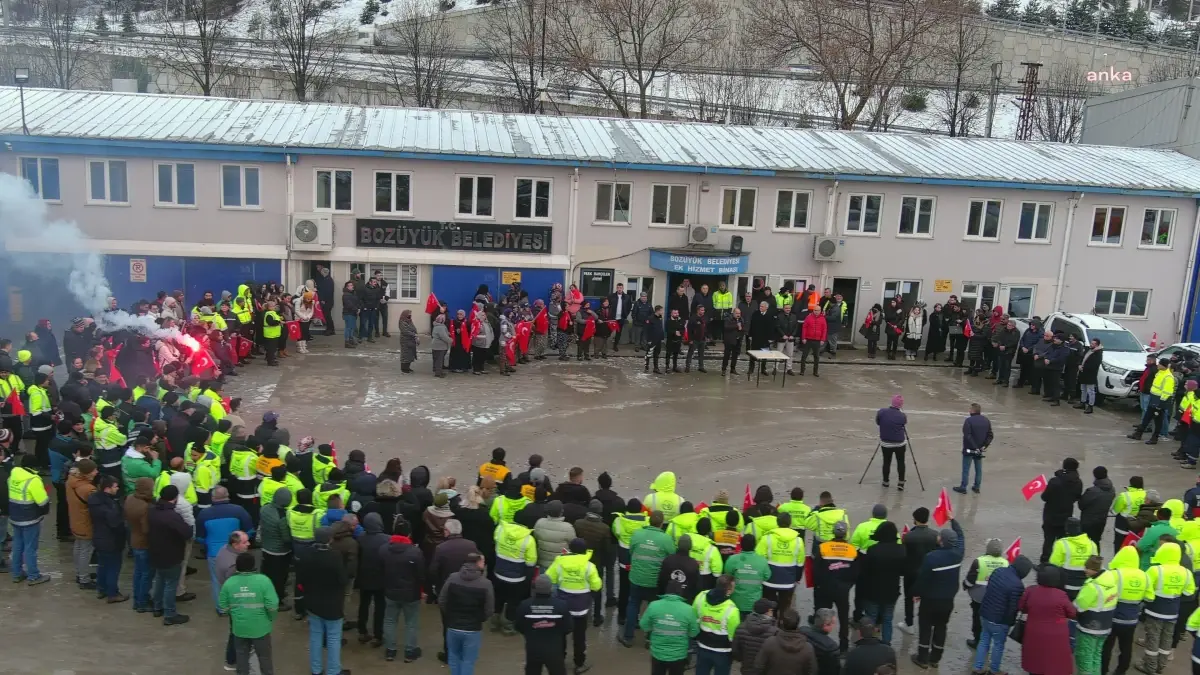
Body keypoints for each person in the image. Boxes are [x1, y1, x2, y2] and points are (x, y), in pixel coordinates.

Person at [911, 515, 964, 669]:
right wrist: (953, 520)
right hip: (948, 600)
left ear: (941, 541)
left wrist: (916, 593)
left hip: (930, 599)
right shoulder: (958, 554)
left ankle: (922, 657)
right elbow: (961, 536)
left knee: (925, 626)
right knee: (941, 627)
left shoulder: (931, 557)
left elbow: (923, 578)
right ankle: (935, 658)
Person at [296, 527, 349, 675]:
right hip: (332, 604)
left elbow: (300, 579)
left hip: (313, 603)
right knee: (333, 637)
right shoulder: (335, 556)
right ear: (330, 539)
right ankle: (333, 670)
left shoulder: (306, 554)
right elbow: (343, 579)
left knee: (315, 636)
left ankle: (316, 670)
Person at [620, 511, 676, 647]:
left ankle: (628, 636)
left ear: (649, 521)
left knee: (633, 604)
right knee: (653, 609)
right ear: (662, 523)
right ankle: (649, 639)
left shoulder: (637, 534)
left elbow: (631, 551)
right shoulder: (666, 539)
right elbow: (671, 557)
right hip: (654, 581)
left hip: (636, 577)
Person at [547, 538, 602, 673]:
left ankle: (559, 660)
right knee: (579, 637)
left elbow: (549, 578)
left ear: (570, 549)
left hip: (563, 606)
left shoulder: (559, 562)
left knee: (560, 635)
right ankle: (579, 663)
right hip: (581, 609)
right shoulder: (589, 566)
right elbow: (596, 586)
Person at [1141, 541, 1196, 673]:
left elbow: (1146, 590)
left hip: (1155, 610)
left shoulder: (1155, 570)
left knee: (1152, 638)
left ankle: (1150, 666)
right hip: (1173, 611)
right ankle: (1161, 665)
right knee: (1166, 639)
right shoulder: (1186, 572)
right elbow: (1189, 592)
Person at [973, 554, 1033, 675]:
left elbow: (989, 589)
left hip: (985, 614)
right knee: (998, 645)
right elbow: (1013, 608)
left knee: (984, 641)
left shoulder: (998, 571)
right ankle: (994, 670)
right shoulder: (1018, 585)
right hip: (1000, 621)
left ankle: (977, 668)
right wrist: (1010, 622)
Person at [220, 552, 278, 675]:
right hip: (261, 628)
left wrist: (235, 615)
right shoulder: (264, 581)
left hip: (240, 628)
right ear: (253, 565)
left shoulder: (229, 583)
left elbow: (223, 607)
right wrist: (270, 619)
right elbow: (272, 606)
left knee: (241, 656)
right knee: (264, 657)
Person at [380, 515, 425, 663]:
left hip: (390, 591)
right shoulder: (415, 552)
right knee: (411, 622)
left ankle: (390, 650)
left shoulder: (384, 549)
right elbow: (421, 574)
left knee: (390, 620)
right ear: (408, 534)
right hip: (411, 594)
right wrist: (422, 590)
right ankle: (410, 651)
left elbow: (380, 569)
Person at [441, 552, 494, 675]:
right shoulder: (485, 584)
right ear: (478, 563)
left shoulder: (453, 578)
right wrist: (480, 619)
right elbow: (489, 609)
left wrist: (449, 616)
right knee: (468, 661)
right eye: (483, 562)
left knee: (454, 657)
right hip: (473, 629)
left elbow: (442, 600)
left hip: (453, 626)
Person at [1020, 564, 1076, 675]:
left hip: (1034, 632)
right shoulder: (1061, 595)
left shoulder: (1030, 591)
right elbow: (1072, 613)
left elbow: (1022, 607)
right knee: (1054, 663)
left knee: (1035, 661)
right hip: (1057, 635)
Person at [1101, 546, 1148, 675]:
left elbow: (1103, 594)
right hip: (1131, 619)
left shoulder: (1114, 574)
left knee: (1107, 647)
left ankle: (1103, 670)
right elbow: (1149, 597)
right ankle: (1121, 671)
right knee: (1126, 647)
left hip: (1112, 617)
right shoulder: (1144, 575)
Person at [149, 484, 192, 625]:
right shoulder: (172, 516)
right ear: (175, 498)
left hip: (155, 552)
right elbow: (186, 533)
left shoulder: (152, 511)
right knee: (170, 585)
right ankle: (170, 614)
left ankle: (157, 606)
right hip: (171, 554)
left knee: (160, 580)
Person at [811, 521, 858, 651]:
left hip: (825, 588)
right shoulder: (852, 550)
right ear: (845, 534)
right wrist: (847, 585)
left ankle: (819, 644)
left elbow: (816, 569)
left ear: (833, 532)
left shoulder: (824, 547)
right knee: (843, 619)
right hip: (843, 591)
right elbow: (856, 572)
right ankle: (843, 647)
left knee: (822, 617)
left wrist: (820, 585)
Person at [638, 578, 700, 675]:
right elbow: (694, 632)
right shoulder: (688, 609)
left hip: (658, 653)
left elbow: (644, 625)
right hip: (679, 655)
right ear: (680, 593)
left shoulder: (654, 605)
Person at [857, 521, 905, 646]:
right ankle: (886, 644)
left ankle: (869, 642)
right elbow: (903, 571)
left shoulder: (873, 550)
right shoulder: (901, 550)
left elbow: (865, 571)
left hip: (873, 591)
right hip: (891, 591)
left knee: (871, 618)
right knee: (888, 619)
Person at [515, 574, 573, 675]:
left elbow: (519, 627)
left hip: (533, 649)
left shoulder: (525, 605)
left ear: (535, 588)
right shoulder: (561, 605)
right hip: (554, 650)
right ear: (550, 588)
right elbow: (568, 628)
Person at [8, 453, 51, 585]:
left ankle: (17, 573)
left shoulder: (13, 474)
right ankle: (34, 575)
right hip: (30, 518)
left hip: (15, 516)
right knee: (30, 547)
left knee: (17, 545)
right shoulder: (33, 480)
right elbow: (42, 502)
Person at [493, 518, 538, 635]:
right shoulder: (529, 540)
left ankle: (494, 621)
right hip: (517, 578)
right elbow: (530, 563)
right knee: (513, 602)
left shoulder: (500, 530)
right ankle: (508, 626)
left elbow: (495, 542)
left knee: (498, 597)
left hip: (499, 573)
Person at [963, 538, 1009, 648]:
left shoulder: (979, 561)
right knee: (991, 619)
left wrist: (965, 586)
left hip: (979, 597)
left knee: (977, 618)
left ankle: (978, 640)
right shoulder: (1005, 562)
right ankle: (988, 640)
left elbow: (970, 580)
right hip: (996, 598)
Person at [693, 574, 740, 675]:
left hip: (703, 646)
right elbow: (733, 636)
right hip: (723, 652)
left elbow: (694, 618)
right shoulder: (732, 609)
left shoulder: (701, 596)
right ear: (728, 590)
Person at [1040, 457, 1084, 563]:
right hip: (1066, 514)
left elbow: (1044, 497)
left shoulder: (1055, 481)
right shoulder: (1078, 482)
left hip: (1051, 514)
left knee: (1049, 539)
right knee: (1062, 539)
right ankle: (1060, 560)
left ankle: (1045, 561)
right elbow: (1077, 497)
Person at [1130, 358, 1177, 444]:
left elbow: (1167, 392)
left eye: (1159, 364)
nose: (1157, 365)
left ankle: (1154, 438)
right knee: (1147, 417)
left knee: (1158, 420)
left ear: (1164, 365)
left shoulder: (1168, 377)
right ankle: (1138, 433)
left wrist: (1160, 405)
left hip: (1159, 401)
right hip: (1153, 398)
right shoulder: (1160, 373)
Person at [67, 458, 97, 587]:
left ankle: (80, 573)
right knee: (86, 550)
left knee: (78, 546)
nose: (96, 472)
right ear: (87, 473)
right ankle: (84, 579)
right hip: (86, 523)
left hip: (75, 519)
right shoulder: (88, 489)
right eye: (94, 470)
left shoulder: (70, 481)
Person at [954, 403, 992, 495]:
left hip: (969, 449)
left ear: (973, 410)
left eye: (970, 409)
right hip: (980, 450)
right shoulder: (986, 420)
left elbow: (967, 435)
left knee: (966, 468)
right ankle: (977, 487)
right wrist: (984, 446)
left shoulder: (968, 421)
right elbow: (990, 435)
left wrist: (974, 447)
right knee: (978, 469)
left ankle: (963, 487)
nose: (969, 410)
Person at [875, 395, 907, 490]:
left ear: (892, 403)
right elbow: (903, 424)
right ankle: (901, 483)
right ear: (901, 405)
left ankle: (886, 482)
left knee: (886, 462)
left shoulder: (881, 412)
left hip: (886, 443)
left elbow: (878, 422)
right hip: (900, 444)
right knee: (901, 462)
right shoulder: (902, 415)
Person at [1079, 466, 1116, 546]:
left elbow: (1081, 505)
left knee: (1084, 543)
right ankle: (1096, 557)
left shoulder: (1092, 491)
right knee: (1096, 541)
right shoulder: (1112, 489)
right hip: (1101, 520)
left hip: (1088, 521)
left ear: (1095, 476)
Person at [797, 609, 840, 675]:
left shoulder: (801, 631)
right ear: (826, 625)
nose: (834, 626)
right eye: (833, 623)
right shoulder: (831, 646)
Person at [798, 306, 825, 377]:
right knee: (804, 356)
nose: (816, 312)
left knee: (816, 356)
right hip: (808, 339)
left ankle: (815, 372)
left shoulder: (823, 319)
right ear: (813, 310)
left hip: (817, 340)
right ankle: (802, 371)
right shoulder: (808, 317)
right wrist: (803, 338)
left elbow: (824, 330)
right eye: (815, 310)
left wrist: (822, 339)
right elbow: (804, 328)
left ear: (820, 311)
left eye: (818, 310)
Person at [685, 305, 708, 373]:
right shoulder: (693, 318)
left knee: (701, 354)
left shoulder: (705, 318)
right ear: (698, 310)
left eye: (703, 310)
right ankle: (687, 367)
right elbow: (689, 329)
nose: (703, 311)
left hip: (702, 339)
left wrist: (706, 336)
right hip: (694, 339)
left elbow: (706, 328)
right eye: (701, 310)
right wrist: (690, 339)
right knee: (690, 353)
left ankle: (701, 367)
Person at [644, 305, 665, 374]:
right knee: (649, 354)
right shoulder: (650, 318)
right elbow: (647, 330)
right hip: (652, 340)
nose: (663, 312)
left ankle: (656, 368)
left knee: (657, 354)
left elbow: (660, 328)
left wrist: (662, 337)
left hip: (658, 339)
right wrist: (649, 340)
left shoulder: (660, 318)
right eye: (662, 310)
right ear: (658, 311)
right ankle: (646, 367)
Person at [398, 310, 418, 374]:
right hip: (405, 340)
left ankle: (407, 367)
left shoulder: (410, 321)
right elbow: (405, 331)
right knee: (405, 354)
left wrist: (416, 335)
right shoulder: (402, 322)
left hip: (411, 340)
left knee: (410, 354)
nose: (410, 315)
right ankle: (404, 368)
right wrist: (413, 334)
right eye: (409, 314)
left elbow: (414, 328)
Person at [664, 308, 684, 373]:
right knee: (668, 354)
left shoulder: (680, 320)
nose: (676, 314)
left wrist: (680, 332)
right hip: (670, 340)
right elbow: (667, 330)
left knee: (676, 354)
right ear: (671, 314)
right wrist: (674, 332)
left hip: (678, 340)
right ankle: (667, 367)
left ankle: (675, 366)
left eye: (677, 313)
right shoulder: (668, 321)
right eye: (675, 313)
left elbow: (683, 329)